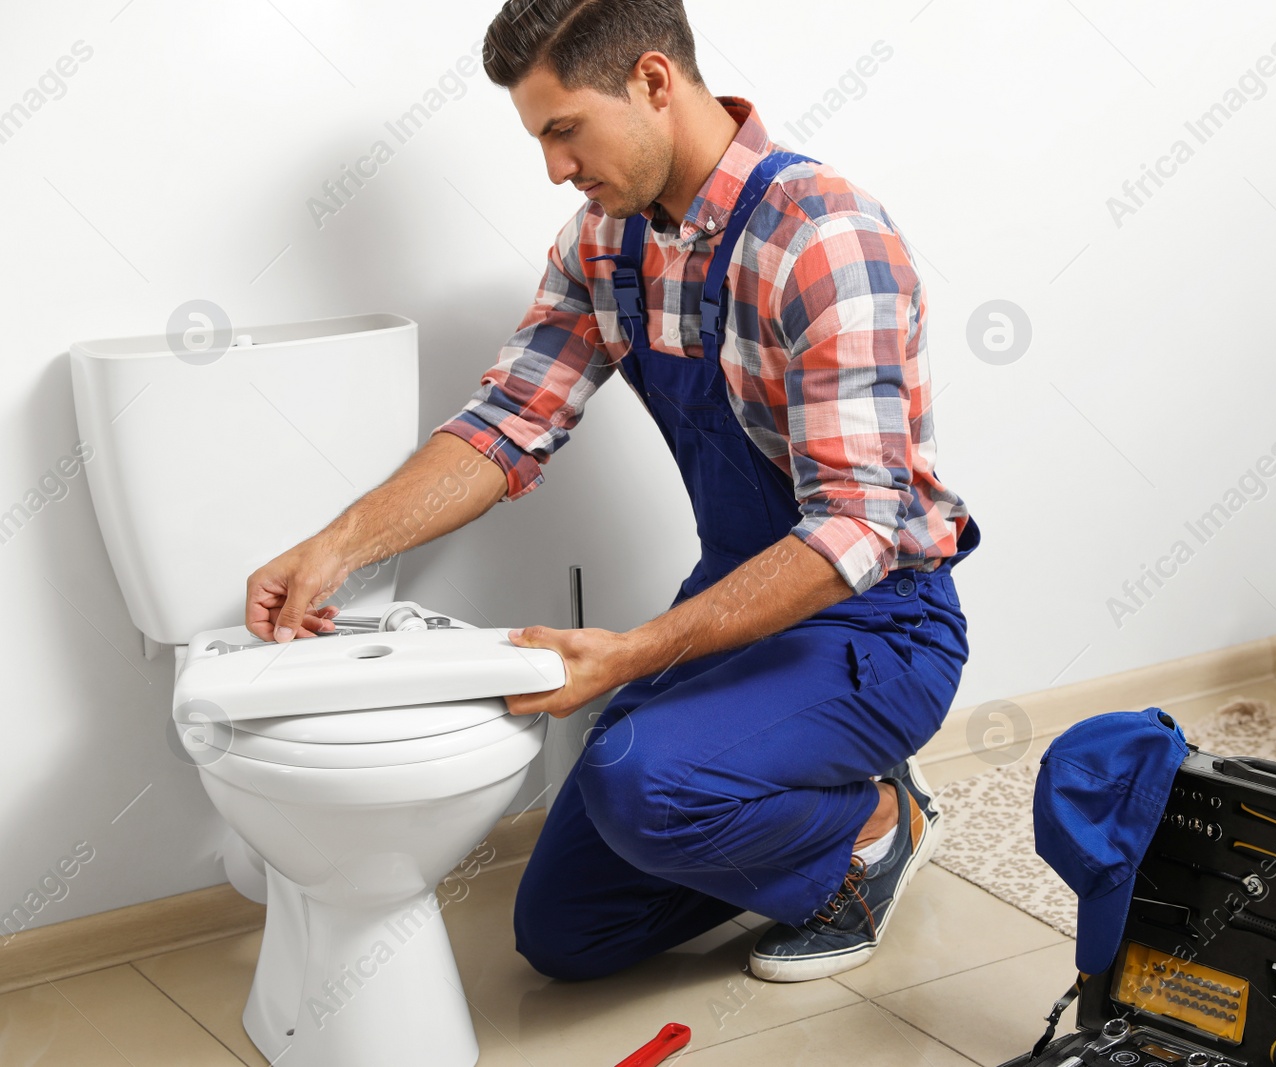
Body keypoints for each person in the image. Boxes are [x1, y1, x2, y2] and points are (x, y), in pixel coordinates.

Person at [243, 0, 980, 983]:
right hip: (735, 599)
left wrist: (633, 652)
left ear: (651, 83)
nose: (554, 166)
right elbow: (505, 425)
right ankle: (767, 797)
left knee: (639, 775)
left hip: (875, 627)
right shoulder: (604, 244)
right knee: (565, 931)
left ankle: (873, 824)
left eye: (563, 129)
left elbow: (857, 523)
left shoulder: (823, 237)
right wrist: (339, 544)